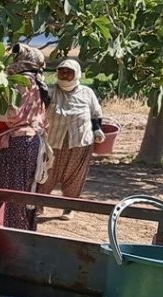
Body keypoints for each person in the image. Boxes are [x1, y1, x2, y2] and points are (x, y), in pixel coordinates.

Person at [0, 43, 51, 231]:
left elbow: (12, 115)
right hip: (33, 142)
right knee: (25, 190)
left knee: (10, 191)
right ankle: (25, 232)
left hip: (17, 143)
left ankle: (10, 232)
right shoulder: (38, 82)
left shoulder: (22, 82)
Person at [38, 59, 105, 221]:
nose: (64, 74)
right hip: (53, 141)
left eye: (69, 72)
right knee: (47, 172)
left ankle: (69, 209)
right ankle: (39, 204)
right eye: (61, 71)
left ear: (77, 74)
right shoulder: (51, 91)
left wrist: (97, 129)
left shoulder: (87, 92)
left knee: (75, 176)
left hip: (80, 142)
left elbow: (96, 113)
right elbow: (40, 106)